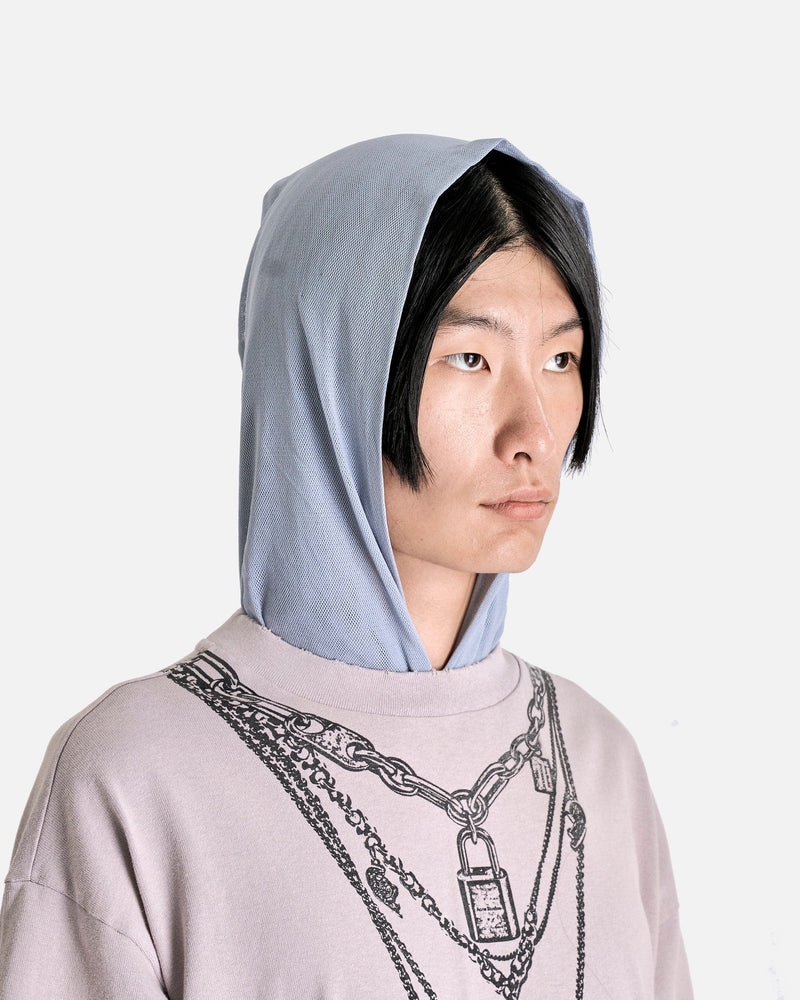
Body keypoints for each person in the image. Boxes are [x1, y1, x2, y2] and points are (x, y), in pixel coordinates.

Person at [0, 134, 693, 998]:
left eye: (561, 359)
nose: (537, 433)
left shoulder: (599, 762)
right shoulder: (135, 777)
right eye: (470, 358)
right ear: (330, 373)